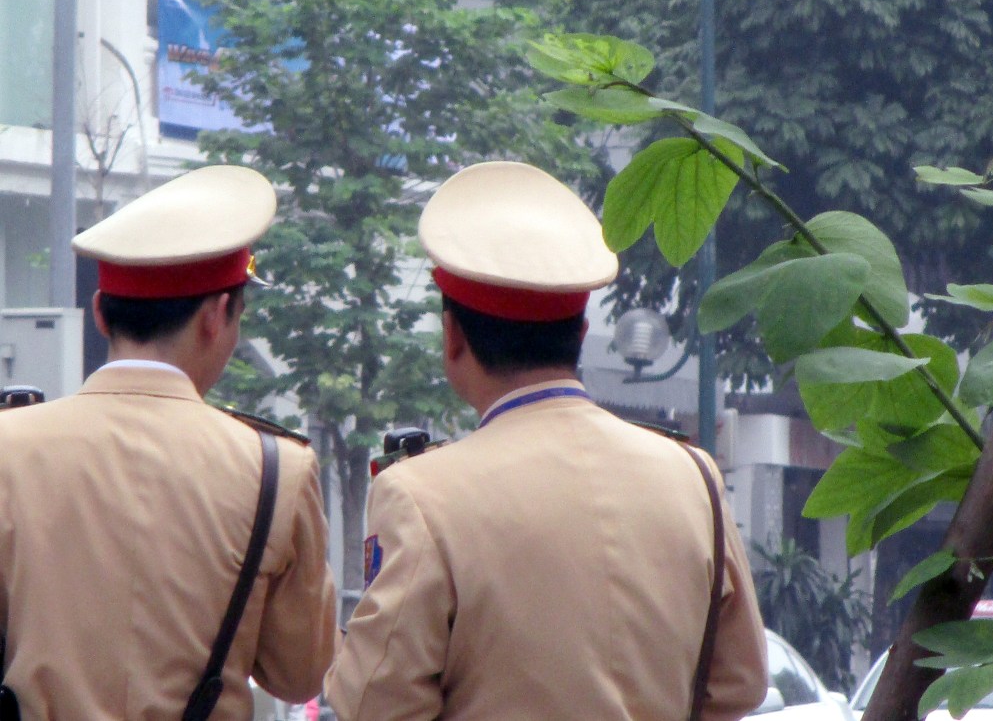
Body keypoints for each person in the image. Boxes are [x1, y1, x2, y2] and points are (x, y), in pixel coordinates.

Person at [324, 161, 768, 720]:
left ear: (452, 334)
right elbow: (742, 685)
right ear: (580, 334)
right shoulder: (695, 478)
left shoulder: (421, 495)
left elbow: (372, 703)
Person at [0, 165, 337, 719]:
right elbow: (300, 671)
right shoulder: (276, 468)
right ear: (218, 316)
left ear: (101, 314)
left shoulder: (11, 446)